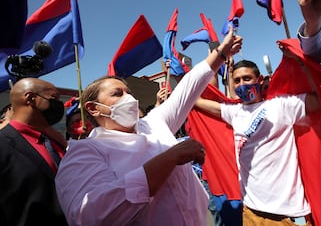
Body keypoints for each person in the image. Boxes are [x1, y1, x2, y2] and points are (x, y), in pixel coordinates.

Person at [54, 28, 242, 225]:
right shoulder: (84, 152)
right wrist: (169, 159)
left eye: (129, 92)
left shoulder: (153, 123)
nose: (129, 99)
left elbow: (188, 87)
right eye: (117, 94)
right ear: (93, 108)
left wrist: (221, 53)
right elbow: (90, 216)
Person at [195, 59, 320, 226]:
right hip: (251, 211)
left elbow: (320, 100)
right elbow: (197, 101)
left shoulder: (282, 105)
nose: (241, 85)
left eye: (247, 78)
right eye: (237, 81)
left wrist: (303, 63)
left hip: (286, 214)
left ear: (259, 80)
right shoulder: (234, 112)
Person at [0, 77, 68, 225]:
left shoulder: (57, 141)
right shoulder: (3, 144)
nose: (59, 105)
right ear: (30, 98)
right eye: (54, 98)